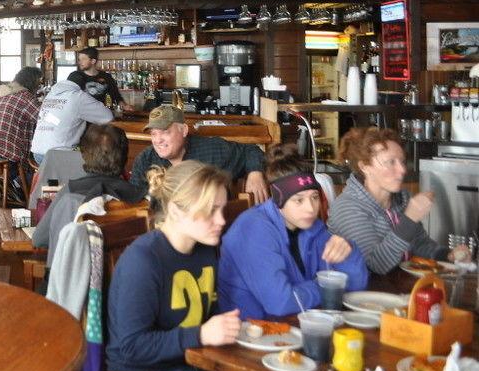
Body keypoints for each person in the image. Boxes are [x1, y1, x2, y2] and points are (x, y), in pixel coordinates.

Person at [106, 160, 247, 371]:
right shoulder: (143, 260)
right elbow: (133, 347)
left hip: (191, 365)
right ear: (175, 211)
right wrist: (201, 334)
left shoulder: (206, 250)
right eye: (211, 210)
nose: (221, 220)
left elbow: (211, 324)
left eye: (222, 209)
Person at [218, 144, 368, 320]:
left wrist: (347, 252)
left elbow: (358, 284)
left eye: (314, 197)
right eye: (298, 200)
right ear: (279, 201)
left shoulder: (312, 226)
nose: (310, 208)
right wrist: (330, 285)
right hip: (248, 332)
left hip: (297, 322)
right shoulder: (253, 229)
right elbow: (280, 303)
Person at [328, 127, 469, 274]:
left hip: (398, 289)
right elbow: (377, 265)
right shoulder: (347, 208)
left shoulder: (402, 198)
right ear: (365, 166)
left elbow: (420, 244)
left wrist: (447, 255)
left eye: (402, 161)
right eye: (390, 162)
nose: (402, 170)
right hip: (361, 293)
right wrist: (409, 218)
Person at [33, 124, 144, 271]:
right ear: (125, 155)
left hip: (76, 284)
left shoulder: (70, 193)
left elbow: (40, 239)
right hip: (124, 282)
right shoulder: (140, 198)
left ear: (84, 155)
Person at [130, 105, 269, 204]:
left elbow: (251, 150)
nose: (158, 140)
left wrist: (255, 172)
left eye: (165, 132)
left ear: (184, 130)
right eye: (153, 133)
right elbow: (135, 200)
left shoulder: (213, 150)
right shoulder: (145, 160)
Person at [29, 75, 113, 164]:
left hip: (37, 153)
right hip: (58, 155)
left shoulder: (51, 95)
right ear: (84, 86)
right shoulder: (78, 96)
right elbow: (108, 117)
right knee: (95, 162)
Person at [0, 67, 42, 195]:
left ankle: (6, 184)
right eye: (39, 83)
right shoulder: (25, 97)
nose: (39, 86)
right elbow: (42, 118)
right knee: (34, 163)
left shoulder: (2, 93)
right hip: (6, 151)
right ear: (32, 82)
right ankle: (8, 185)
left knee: (23, 162)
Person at [69, 47, 127, 111]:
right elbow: (68, 97)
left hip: (103, 115)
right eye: (79, 59)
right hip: (83, 115)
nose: (80, 62)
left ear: (93, 61)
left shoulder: (106, 77)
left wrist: (125, 106)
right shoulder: (75, 76)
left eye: (83, 59)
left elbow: (117, 97)